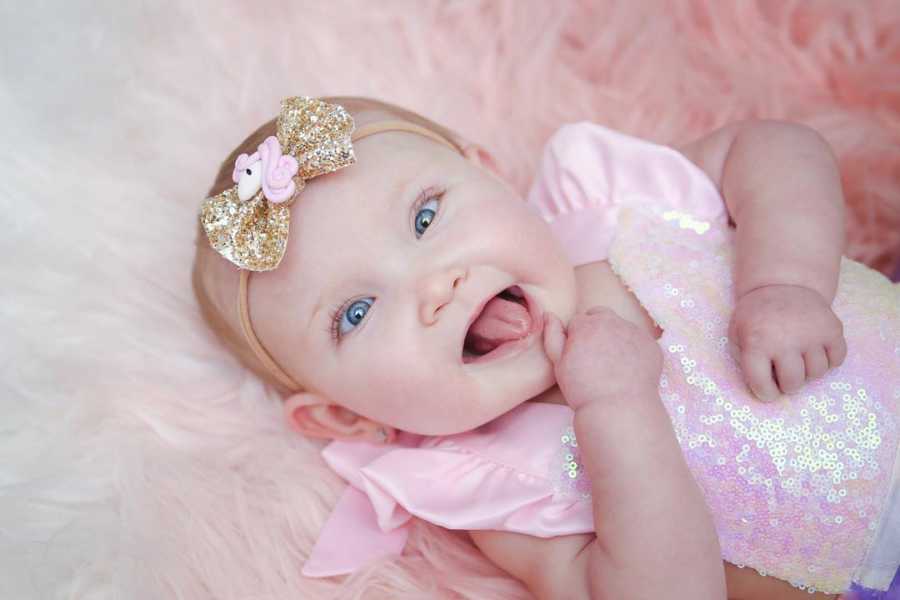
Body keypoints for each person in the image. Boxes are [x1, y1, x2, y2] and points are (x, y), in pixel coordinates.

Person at [193, 96, 900, 599]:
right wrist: (619, 412)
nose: (435, 284)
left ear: (492, 174)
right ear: (346, 418)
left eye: (426, 216)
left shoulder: (603, 204)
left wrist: (782, 281)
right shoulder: (494, 479)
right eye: (355, 310)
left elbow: (776, 146)